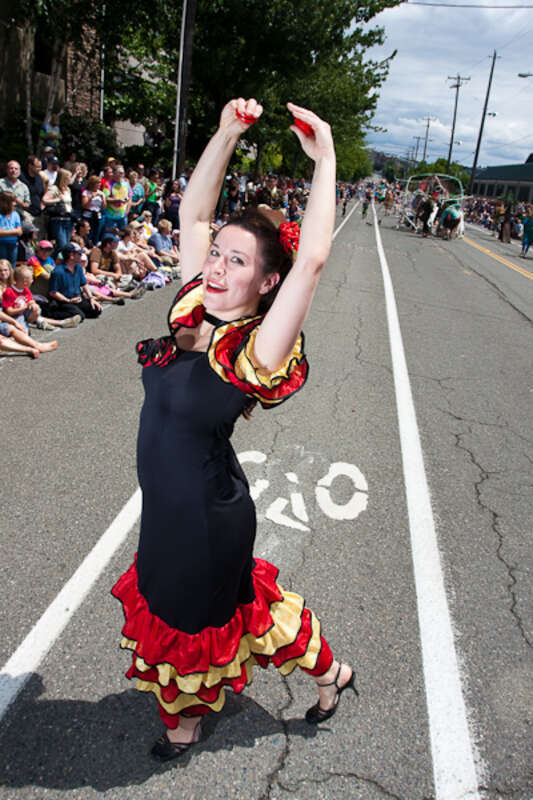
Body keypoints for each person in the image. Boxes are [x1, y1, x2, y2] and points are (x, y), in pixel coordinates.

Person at [111, 97, 357, 762]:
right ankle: (329, 671)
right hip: (168, 510)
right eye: (216, 255)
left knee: (192, 621)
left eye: (237, 262)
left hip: (203, 520)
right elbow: (194, 216)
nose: (216, 267)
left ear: (267, 281)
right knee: (235, 608)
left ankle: (185, 723)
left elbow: (312, 260)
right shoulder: (196, 303)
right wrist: (225, 134)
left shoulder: (256, 347)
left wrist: (325, 158)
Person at [48, 243, 102, 320]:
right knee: (80, 316)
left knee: (96, 310)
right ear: (71, 256)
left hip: (77, 300)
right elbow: (53, 292)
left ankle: (76, 312)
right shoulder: (57, 272)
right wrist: (68, 300)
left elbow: (84, 284)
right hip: (65, 301)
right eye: (79, 254)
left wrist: (91, 298)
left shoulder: (78, 267)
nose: (81, 255)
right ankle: (53, 314)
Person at [42, 168, 74, 252]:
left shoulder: (68, 189)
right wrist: (57, 200)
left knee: (66, 245)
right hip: (58, 220)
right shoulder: (55, 188)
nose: (70, 179)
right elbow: (44, 200)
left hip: (68, 219)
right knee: (61, 245)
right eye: (68, 177)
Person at [0, 191, 22, 268]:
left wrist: (5, 232)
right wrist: (14, 231)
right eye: (12, 201)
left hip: (13, 244)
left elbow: (19, 232)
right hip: (1, 244)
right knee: (2, 265)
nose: (14, 204)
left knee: (12, 266)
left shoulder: (15, 215)